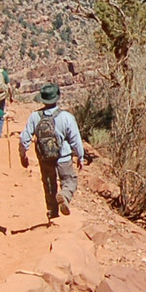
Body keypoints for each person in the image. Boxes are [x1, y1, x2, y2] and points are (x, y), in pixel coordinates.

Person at [18, 84, 87, 225]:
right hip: (63, 157)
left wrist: (23, 155)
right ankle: (65, 195)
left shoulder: (34, 117)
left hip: (44, 158)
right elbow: (75, 139)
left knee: (49, 185)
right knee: (70, 180)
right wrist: (80, 157)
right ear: (57, 98)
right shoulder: (66, 117)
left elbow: (24, 138)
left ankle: (52, 213)